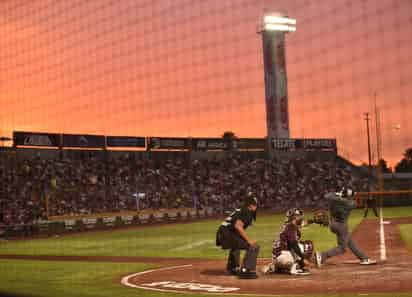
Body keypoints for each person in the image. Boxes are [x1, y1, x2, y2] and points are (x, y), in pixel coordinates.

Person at [315, 186, 377, 267]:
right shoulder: (350, 203)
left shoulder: (335, 199)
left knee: (350, 242)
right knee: (342, 248)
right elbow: (354, 203)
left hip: (332, 224)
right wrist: (343, 195)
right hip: (341, 226)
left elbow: (327, 196)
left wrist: (337, 193)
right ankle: (322, 256)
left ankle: (363, 258)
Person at [216, 193, 260, 279]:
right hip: (227, 235)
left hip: (223, 233)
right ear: (250, 205)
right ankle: (246, 271)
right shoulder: (247, 211)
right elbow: (238, 226)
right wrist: (248, 240)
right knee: (254, 246)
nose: (256, 207)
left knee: (236, 244)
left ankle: (232, 268)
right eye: (255, 205)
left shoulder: (241, 209)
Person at [262, 208, 312, 276]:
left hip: (278, 257)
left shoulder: (287, 225)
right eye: (299, 217)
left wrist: (313, 221)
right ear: (295, 217)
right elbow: (294, 245)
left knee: (296, 245)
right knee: (306, 245)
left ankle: (276, 267)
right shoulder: (291, 227)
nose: (301, 218)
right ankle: (295, 268)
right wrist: (303, 259)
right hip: (284, 258)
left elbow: (302, 224)